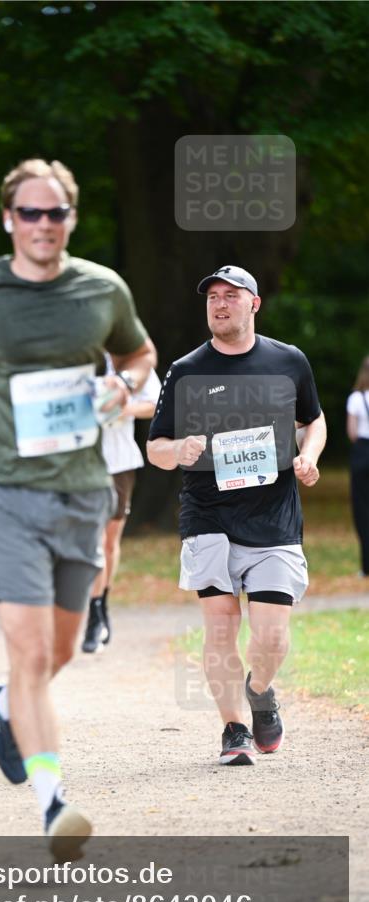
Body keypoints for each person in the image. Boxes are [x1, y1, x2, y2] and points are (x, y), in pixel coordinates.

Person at [0, 158, 157, 857]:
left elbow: (139, 355)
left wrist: (125, 387)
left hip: (81, 490)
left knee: (56, 652)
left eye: (55, 213)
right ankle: (53, 803)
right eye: (30, 213)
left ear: (71, 219)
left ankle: (0, 705)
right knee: (27, 648)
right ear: (8, 219)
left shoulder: (100, 289)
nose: (43, 225)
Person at [147, 265, 326, 767]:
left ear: (254, 304)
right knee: (221, 625)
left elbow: (313, 420)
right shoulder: (185, 370)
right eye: (213, 297)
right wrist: (177, 448)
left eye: (232, 295)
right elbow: (155, 447)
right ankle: (234, 729)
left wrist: (309, 455)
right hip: (208, 516)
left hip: (274, 519)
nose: (220, 304)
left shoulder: (288, 360)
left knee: (270, 636)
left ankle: (261, 690)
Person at [82, 360, 161, 653]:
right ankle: (91, 612)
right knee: (94, 539)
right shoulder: (76, 353)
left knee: (109, 540)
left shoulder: (129, 359)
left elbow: (155, 402)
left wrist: (122, 407)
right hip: (81, 462)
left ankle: (100, 605)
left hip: (119, 461)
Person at [346, 356, 369, 577]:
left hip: (363, 452)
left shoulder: (356, 398)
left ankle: (366, 565)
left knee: (363, 509)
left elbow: (352, 432)